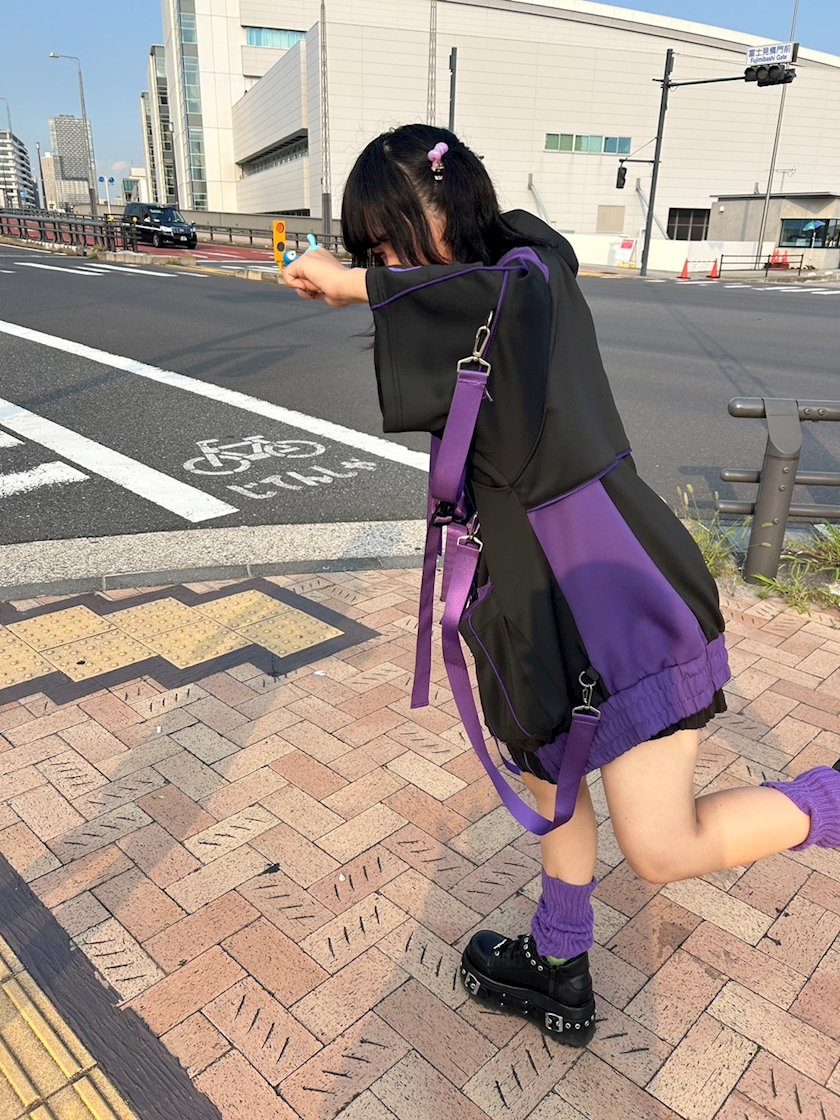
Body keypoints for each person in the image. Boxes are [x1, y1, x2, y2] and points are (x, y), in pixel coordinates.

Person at [284, 124, 838, 1047]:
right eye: (371, 252)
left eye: (392, 239)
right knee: (553, 785)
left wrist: (349, 284)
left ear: (452, 203)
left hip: (614, 596)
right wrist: (377, 276)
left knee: (660, 847)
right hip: (531, 605)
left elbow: (499, 292)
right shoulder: (493, 284)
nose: (385, 265)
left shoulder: (523, 281)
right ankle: (560, 959)